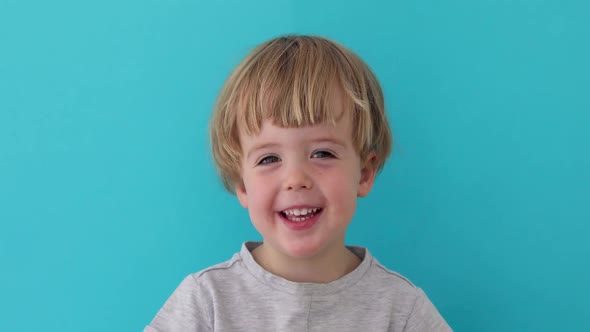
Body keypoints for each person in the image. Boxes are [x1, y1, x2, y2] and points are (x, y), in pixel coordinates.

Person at [145, 35, 451, 332]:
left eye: (322, 153)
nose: (295, 179)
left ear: (365, 173)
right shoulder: (206, 302)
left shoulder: (402, 310)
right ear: (241, 184)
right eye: (268, 159)